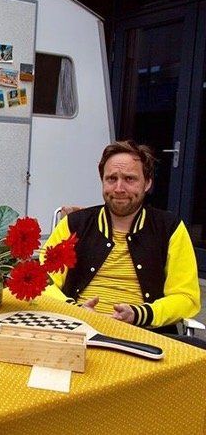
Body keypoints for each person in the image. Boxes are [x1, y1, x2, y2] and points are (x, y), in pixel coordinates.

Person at [42, 140, 202, 341]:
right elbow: (42, 282)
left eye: (129, 179)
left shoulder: (169, 229)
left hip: (143, 336)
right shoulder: (74, 225)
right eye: (111, 178)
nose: (119, 188)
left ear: (148, 183)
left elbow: (186, 298)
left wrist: (138, 314)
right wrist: (75, 311)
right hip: (77, 332)